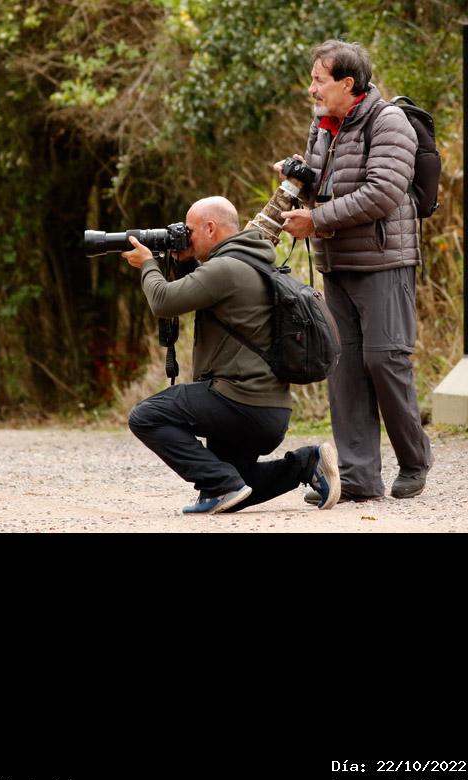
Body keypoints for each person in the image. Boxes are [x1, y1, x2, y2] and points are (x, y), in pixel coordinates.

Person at [278, 40, 433, 502]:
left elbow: (382, 192)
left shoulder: (390, 122)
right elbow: (325, 185)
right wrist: (298, 175)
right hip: (336, 261)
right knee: (343, 369)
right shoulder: (323, 125)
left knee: (385, 360)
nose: (312, 89)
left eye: (319, 80)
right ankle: (358, 477)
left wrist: (315, 220)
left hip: (384, 260)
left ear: (348, 83)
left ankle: (414, 460)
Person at [121, 196, 341, 514]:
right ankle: (307, 464)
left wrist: (147, 264)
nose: (185, 236)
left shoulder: (225, 268)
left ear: (210, 228)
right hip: (269, 411)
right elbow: (199, 289)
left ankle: (223, 483)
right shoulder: (249, 261)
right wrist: (185, 262)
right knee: (238, 485)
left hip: (239, 402)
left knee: (146, 416)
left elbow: (164, 301)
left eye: (190, 230)